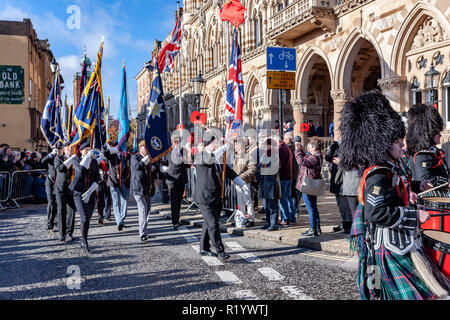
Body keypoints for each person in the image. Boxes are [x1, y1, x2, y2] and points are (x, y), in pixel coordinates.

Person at [340, 90, 449, 300]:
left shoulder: (389, 168)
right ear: (383, 144)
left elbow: (396, 194)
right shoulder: (377, 174)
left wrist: (415, 190)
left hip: (401, 242)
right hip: (390, 247)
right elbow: (377, 213)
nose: (403, 144)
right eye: (398, 141)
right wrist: (413, 216)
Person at [194, 133, 250, 261]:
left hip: (217, 196)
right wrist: (224, 147)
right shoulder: (200, 155)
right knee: (213, 224)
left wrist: (242, 184)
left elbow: (228, 172)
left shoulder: (218, 159)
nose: (216, 144)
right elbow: (209, 159)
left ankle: (204, 248)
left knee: (208, 223)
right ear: (208, 144)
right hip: (205, 197)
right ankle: (220, 250)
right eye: (214, 143)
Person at [406, 104, 449, 194]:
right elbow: (424, 179)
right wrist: (446, 181)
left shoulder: (431, 152)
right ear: (429, 133)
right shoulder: (422, 155)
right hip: (429, 200)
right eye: (437, 132)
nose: (440, 135)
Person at [69, 141, 101, 253]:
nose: (88, 151)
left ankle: (84, 238)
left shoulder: (94, 162)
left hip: (90, 193)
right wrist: (87, 157)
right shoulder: (76, 159)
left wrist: (92, 189)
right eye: (86, 149)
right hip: (78, 193)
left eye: (89, 149)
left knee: (88, 218)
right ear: (81, 151)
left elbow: (98, 178)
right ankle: (84, 242)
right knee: (84, 218)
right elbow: (81, 172)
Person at [161, 133, 191, 230]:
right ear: (172, 143)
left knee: (179, 201)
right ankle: (175, 222)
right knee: (174, 201)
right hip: (172, 179)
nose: (177, 142)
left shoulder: (184, 150)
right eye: (175, 141)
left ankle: (177, 219)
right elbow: (163, 164)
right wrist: (165, 169)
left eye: (178, 140)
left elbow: (187, 164)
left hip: (181, 179)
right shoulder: (168, 152)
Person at [295, 137, 323, 236]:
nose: (308, 147)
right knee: (313, 207)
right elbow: (305, 158)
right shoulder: (316, 155)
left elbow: (302, 162)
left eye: (309, 145)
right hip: (311, 185)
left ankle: (312, 229)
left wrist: (298, 151)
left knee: (310, 208)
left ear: (314, 147)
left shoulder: (315, 157)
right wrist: (301, 151)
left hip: (308, 185)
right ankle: (317, 228)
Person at [103, 143, 131, 231]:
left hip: (125, 180)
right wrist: (114, 149)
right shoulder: (112, 155)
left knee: (125, 201)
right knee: (115, 202)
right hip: (114, 181)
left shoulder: (126, 154)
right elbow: (105, 153)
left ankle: (122, 219)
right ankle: (119, 221)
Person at [130, 140, 153, 242]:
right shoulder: (135, 157)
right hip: (138, 188)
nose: (146, 149)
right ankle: (142, 233)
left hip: (147, 188)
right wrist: (147, 158)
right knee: (143, 210)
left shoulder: (149, 159)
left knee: (147, 211)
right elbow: (137, 166)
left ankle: (144, 229)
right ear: (140, 148)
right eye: (145, 147)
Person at [54, 142, 77, 243]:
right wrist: (70, 160)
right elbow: (60, 169)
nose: (70, 150)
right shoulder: (58, 158)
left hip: (71, 188)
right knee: (61, 210)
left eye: (72, 148)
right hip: (61, 188)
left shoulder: (76, 158)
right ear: (64, 149)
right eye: (68, 148)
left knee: (72, 211)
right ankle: (62, 234)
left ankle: (69, 233)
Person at [233, 138, 256, 227]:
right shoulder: (237, 156)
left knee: (248, 202)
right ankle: (242, 218)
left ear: (240, 147)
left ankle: (251, 219)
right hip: (237, 183)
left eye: (236, 147)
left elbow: (252, 169)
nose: (235, 148)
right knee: (240, 202)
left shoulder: (248, 156)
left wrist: (241, 177)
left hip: (245, 182)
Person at [259, 137, 280, 231]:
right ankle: (268, 222)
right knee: (266, 205)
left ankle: (274, 223)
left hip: (271, 182)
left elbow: (274, 166)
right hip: (265, 181)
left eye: (265, 145)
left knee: (272, 205)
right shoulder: (264, 154)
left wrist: (262, 165)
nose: (263, 146)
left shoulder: (274, 154)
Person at [40, 143, 61, 231]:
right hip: (50, 181)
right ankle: (50, 223)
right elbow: (42, 161)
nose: (57, 150)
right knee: (51, 202)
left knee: (58, 203)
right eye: (55, 148)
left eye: (59, 148)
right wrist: (50, 154)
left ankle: (57, 221)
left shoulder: (61, 157)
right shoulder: (50, 157)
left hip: (58, 182)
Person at [278, 135, 295, 225]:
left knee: (283, 199)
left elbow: (280, 165)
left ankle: (285, 218)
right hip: (289, 176)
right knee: (288, 198)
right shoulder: (287, 148)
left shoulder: (281, 149)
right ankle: (292, 218)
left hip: (283, 177)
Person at [95, 153, 112, 224]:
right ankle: (100, 216)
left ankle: (108, 215)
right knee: (100, 199)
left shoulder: (109, 159)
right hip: (100, 182)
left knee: (108, 198)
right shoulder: (97, 160)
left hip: (108, 181)